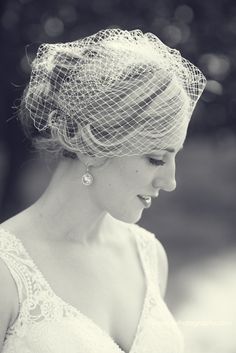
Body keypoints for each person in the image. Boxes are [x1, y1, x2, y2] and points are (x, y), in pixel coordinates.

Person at [0, 28, 206, 353]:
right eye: (155, 159)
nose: (170, 181)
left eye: (174, 156)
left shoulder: (149, 257)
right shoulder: (5, 272)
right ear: (92, 145)